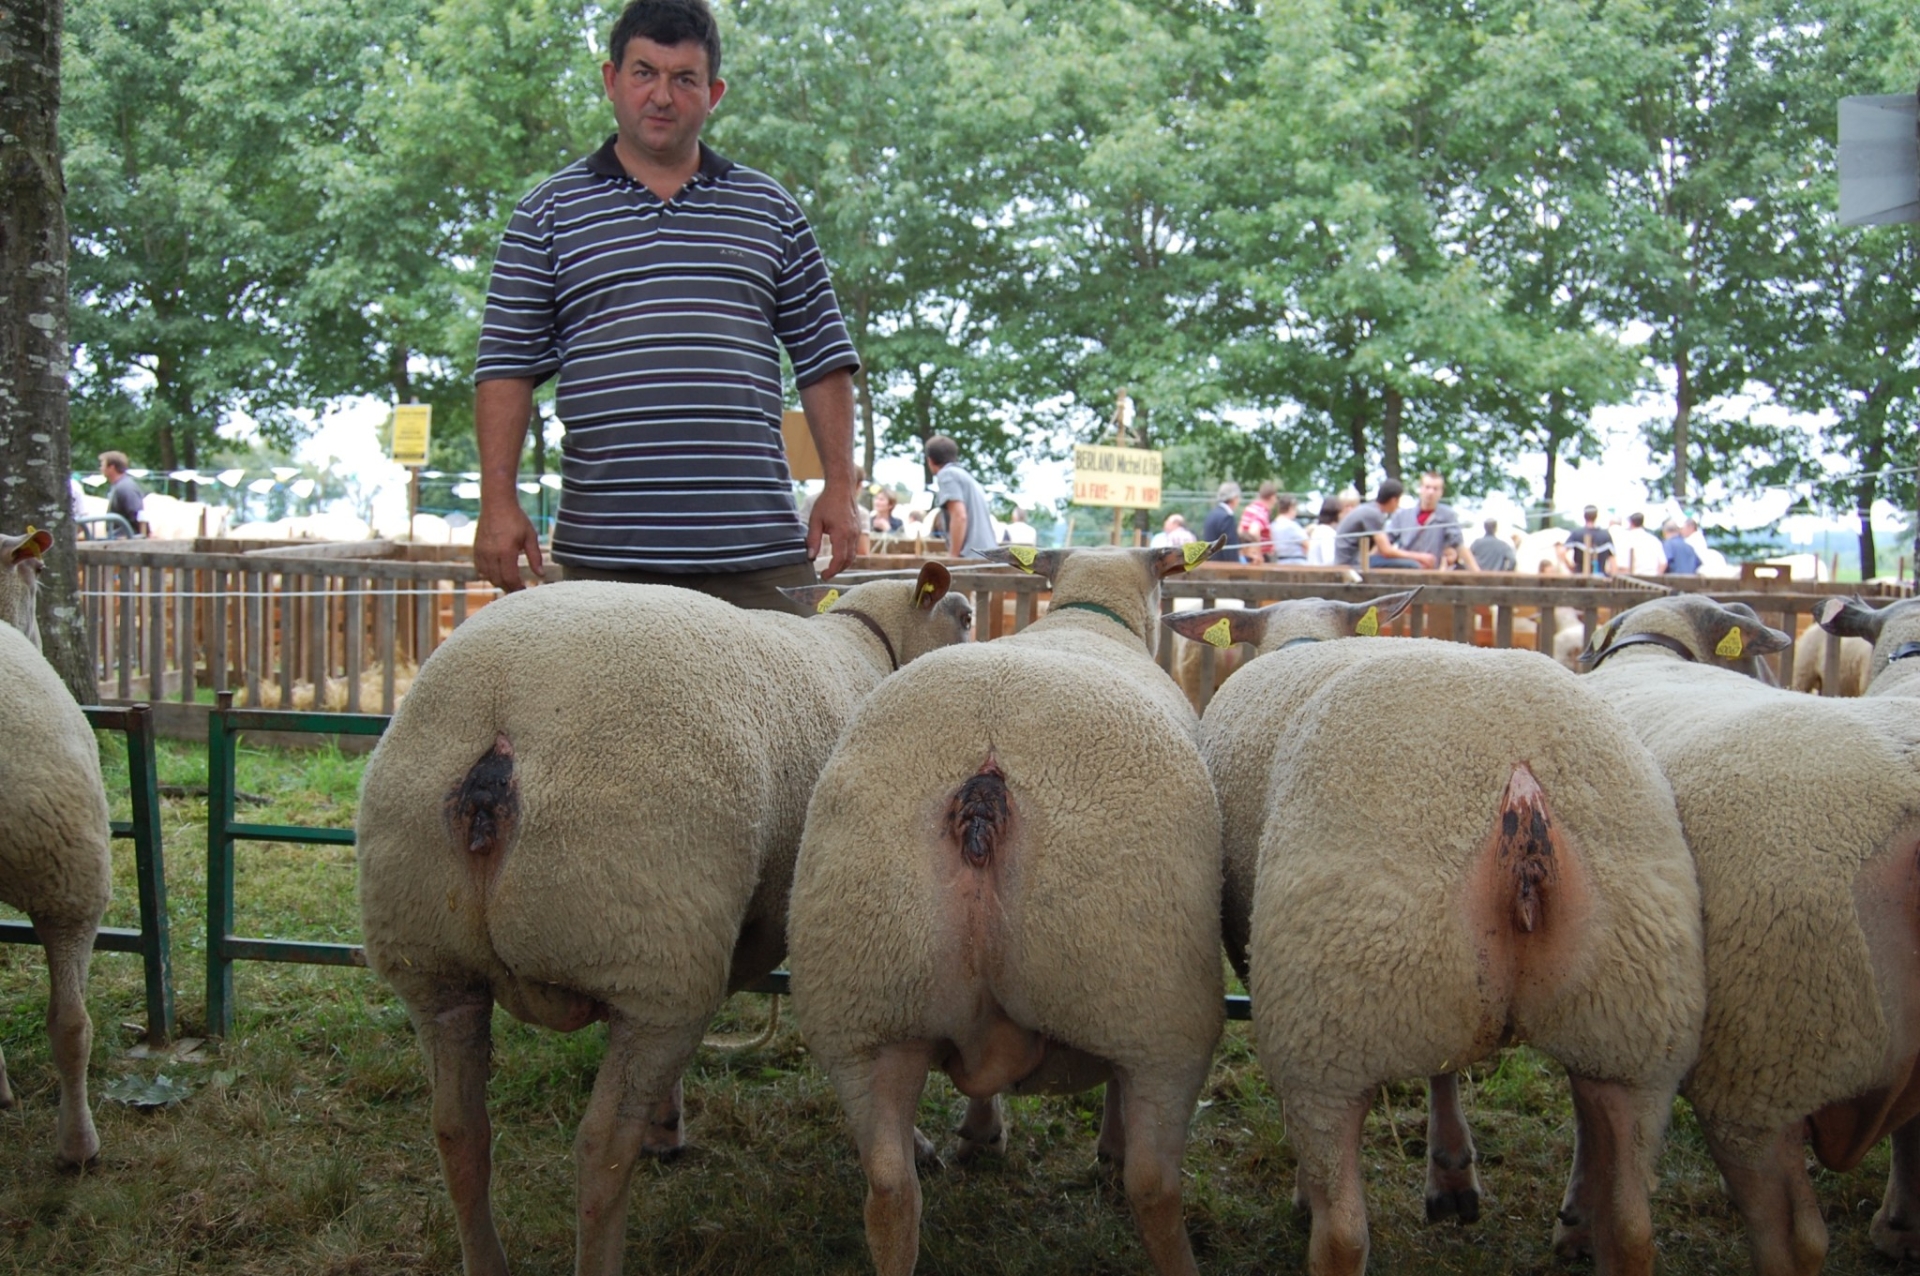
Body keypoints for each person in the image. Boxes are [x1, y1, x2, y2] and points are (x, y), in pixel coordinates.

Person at [470, 0, 860, 613]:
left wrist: (842, 486)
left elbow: (824, 360)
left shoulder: (771, 210)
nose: (661, 95)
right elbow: (505, 369)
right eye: (644, 72)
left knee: (786, 709)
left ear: (714, 93)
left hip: (756, 557)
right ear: (610, 80)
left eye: (685, 79)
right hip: (603, 559)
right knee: (592, 713)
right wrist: (497, 500)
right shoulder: (545, 215)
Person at [925, 435, 999, 558]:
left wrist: (953, 556)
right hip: (986, 555)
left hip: (972, 557)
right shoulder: (966, 477)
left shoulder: (947, 475)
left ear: (930, 460)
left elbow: (959, 516)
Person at [1385, 472, 1476, 571]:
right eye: (1427, 487)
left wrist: (1478, 574)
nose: (1431, 492)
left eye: (1435, 488)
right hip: (1406, 572)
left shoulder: (1447, 515)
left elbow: (1459, 544)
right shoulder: (1402, 515)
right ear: (1420, 489)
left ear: (1441, 492)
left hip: (1433, 574)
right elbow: (1384, 542)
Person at [1335, 479, 1426, 568]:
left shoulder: (1370, 509)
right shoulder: (1374, 514)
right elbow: (1387, 551)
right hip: (1351, 563)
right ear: (1393, 500)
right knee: (1413, 565)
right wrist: (1421, 557)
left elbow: (1378, 549)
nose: (1398, 505)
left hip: (1352, 559)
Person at [99, 451, 144, 538]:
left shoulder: (126, 487)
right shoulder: (119, 486)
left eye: (103, 465)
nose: (101, 468)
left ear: (112, 467)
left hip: (125, 541)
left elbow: (135, 514)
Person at [1559, 505, 1612, 576]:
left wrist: (1571, 568)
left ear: (1584, 516)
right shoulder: (1605, 535)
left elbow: (1562, 552)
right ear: (1596, 516)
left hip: (1579, 576)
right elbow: (1613, 561)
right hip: (1600, 577)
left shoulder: (1576, 534)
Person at [1610, 512, 1667, 577]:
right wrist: (1657, 577)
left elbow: (1622, 565)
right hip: (1652, 578)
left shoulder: (1625, 539)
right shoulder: (1654, 540)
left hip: (1634, 580)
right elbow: (1663, 563)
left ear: (1631, 523)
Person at [1238, 481, 1279, 562]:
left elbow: (1240, 530)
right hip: (1259, 557)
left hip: (1245, 554)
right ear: (1272, 497)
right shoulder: (1262, 512)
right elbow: (1254, 531)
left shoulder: (1249, 508)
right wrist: (1257, 554)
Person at [1201, 482, 1243, 561]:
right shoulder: (1226, 518)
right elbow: (1231, 550)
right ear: (1233, 498)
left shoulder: (1211, 515)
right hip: (1223, 567)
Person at [1269, 494, 1309, 563]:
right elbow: (1307, 544)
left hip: (1280, 562)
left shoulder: (1273, 526)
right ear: (1291, 508)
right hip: (1297, 562)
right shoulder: (1292, 526)